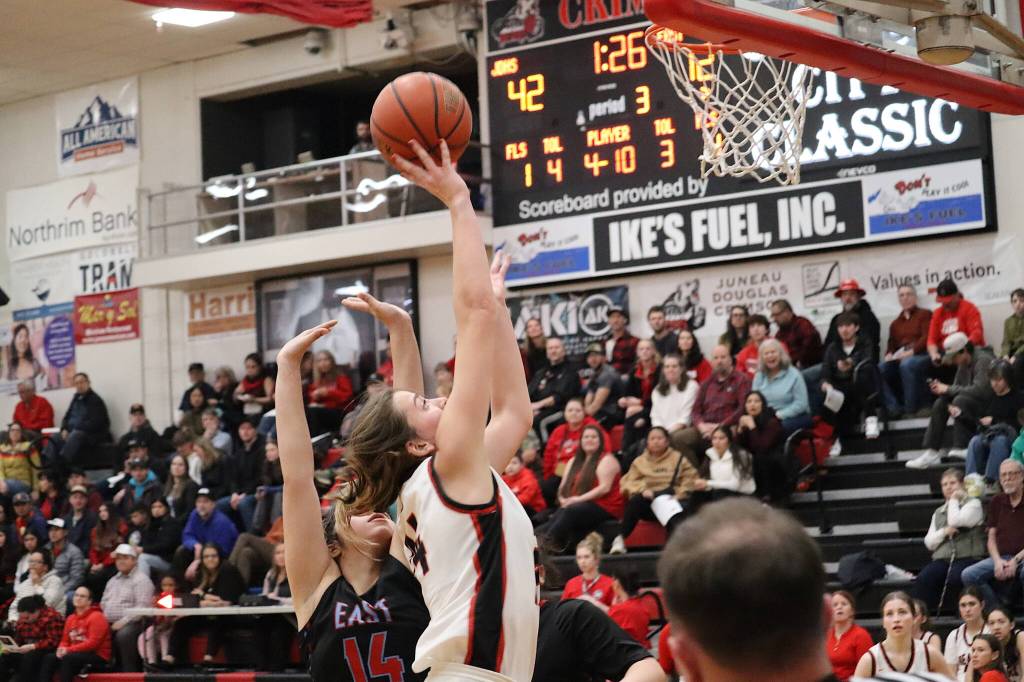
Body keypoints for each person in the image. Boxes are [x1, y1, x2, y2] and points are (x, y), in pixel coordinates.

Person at [306, 138, 540, 681]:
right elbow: (472, 311)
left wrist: (500, 314)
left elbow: (514, 415)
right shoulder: (449, 466)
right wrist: (459, 201)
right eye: (425, 404)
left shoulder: (436, 484)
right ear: (418, 445)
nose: (440, 400)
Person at [275, 314, 430, 682]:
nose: (378, 511)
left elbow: (407, 437)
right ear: (330, 545)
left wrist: (402, 329)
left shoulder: (408, 567)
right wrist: (288, 366)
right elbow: (297, 479)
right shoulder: (316, 591)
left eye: (380, 508)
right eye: (360, 510)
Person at [907, 332, 997, 469]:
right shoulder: (963, 363)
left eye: (954, 357)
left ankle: (961, 446)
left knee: (960, 400)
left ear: (964, 351)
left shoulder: (983, 360)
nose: (953, 361)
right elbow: (955, 388)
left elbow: (981, 391)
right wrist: (944, 393)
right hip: (970, 404)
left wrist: (948, 389)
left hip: (989, 406)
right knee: (941, 403)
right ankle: (932, 451)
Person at [537, 425, 624, 552]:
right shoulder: (573, 461)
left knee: (570, 511)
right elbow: (563, 485)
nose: (589, 440)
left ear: (600, 441)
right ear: (581, 441)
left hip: (605, 506)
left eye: (594, 437)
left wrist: (576, 500)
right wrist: (563, 499)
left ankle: (545, 548)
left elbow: (604, 488)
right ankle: (533, 544)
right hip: (578, 505)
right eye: (586, 437)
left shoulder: (607, 460)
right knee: (551, 520)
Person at [611, 426, 697, 554]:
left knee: (674, 514)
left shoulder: (678, 458)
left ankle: (672, 550)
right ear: (647, 442)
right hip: (649, 503)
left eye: (659, 438)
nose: (656, 441)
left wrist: (680, 494)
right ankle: (620, 539)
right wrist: (642, 489)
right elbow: (627, 483)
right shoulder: (639, 461)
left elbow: (691, 479)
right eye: (652, 438)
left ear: (667, 441)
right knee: (635, 501)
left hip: (672, 500)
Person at [913, 468, 986, 613]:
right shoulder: (939, 512)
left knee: (955, 577)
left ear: (962, 485)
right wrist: (944, 532)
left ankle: (957, 615)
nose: (948, 487)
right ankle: (923, 616)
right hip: (943, 558)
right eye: (944, 484)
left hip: (968, 557)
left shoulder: (973, 504)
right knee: (924, 577)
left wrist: (953, 500)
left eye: (952, 483)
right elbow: (929, 542)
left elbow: (955, 520)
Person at [671, 345, 751, 465]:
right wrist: (701, 426)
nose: (719, 361)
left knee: (722, 438)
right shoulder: (706, 383)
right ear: (712, 362)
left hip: (728, 427)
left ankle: (710, 473)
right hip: (705, 428)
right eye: (716, 358)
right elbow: (696, 410)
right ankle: (694, 474)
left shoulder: (741, 380)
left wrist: (721, 426)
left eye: (723, 357)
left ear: (730, 360)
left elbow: (742, 408)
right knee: (677, 438)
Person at [962, 459, 1024, 609]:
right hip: (1001, 556)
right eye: (1003, 475)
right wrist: (997, 561)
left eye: (1011, 474)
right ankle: (997, 613)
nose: (1007, 479)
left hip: (1022, 556)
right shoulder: (997, 501)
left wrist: (1015, 560)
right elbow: (991, 537)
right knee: (968, 574)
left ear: (1022, 476)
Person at [169, 543, 245, 664]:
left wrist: (204, 597)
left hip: (232, 614)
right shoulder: (201, 572)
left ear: (219, 556)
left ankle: (208, 659)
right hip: (206, 613)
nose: (210, 559)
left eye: (213, 556)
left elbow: (225, 602)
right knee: (182, 622)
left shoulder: (227, 570)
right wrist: (207, 600)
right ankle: (169, 658)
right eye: (206, 556)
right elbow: (195, 598)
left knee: (218, 621)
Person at [854, 591, 954, 677]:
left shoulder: (930, 654)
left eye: (902, 612)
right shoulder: (870, 659)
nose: (896, 619)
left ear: (913, 618)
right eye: (889, 614)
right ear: (883, 622)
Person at [820, 311, 880, 444]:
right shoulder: (833, 347)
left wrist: (851, 363)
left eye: (848, 326)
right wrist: (825, 384)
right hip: (840, 386)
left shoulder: (865, 342)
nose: (844, 330)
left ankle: (871, 418)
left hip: (861, 382)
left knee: (863, 375)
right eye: (840, 327)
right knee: (828, 397)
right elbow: (825, 371)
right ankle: (836, 438)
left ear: (856, 327)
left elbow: (869, 360)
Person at [966, 362, 1024, 492]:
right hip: (989, 433)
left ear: (1007, 379)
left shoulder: (1019, 398)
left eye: (999, 380)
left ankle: (992, 482)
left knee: (999, 441)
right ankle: (971, 480)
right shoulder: (988, 398)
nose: (994, 384)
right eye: (992, 380)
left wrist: (994, 420)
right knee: (975, 441)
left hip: (1010, 435)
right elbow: (978, 420)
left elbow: (1020, 421)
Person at [541, 398, 606, 507]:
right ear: (565, 413)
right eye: (570, 410)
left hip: (583, 468)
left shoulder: (592, 427)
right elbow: (549, 455)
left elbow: (602, 448)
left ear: (584, 412)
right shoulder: (559, 431)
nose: (573, 413)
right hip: (561, 469)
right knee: (545, 485)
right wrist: (548, 475)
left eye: (577, 410)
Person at [880, 284, 933, 417]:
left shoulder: (925, 314)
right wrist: (889, 355)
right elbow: (891, 345)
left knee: (907, 365)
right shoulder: (895, 323)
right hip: (901, 356)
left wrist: (911, 352)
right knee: (878, 369)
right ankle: (894, 408)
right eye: (902, 295)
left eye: (909, 294)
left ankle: (910, 410)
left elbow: (927, 337)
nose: (905, 298)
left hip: (923, 354)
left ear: (915, 297)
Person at [100, 543, 154, 672]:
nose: (120, 561)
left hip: (136, 622)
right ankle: (103, 669)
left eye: (125, 557)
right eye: (118, 558)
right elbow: (103, 601)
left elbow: (142, 608)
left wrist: (123, 622)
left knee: (124, 634)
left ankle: (129, 671)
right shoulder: (112, 580)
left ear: (134, 560)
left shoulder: (141, 580)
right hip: (110, 621)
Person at [46, 585, 111, 682]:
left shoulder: (97, 617)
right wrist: (61, 649)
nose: (78, 598)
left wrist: (68, 650)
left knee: (68, 658)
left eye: (82, 596)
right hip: (75, 653)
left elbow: (93, 644)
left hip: (97, 656)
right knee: (50, 658)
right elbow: (65, 640)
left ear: (89, 601)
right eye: (76, 595)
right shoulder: (70, 618)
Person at [735, 390, 788, 503]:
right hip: (756, 461)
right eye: (749, 402)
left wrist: (752, 427)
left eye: (756, 401)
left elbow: (762, 447)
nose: (752, 404)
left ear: (763, 404)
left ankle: (765, 496)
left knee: (759, 457)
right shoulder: (745, 421)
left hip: (774, 463)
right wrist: (739, 430)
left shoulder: (772, 422)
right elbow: (738, 448)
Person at [46, 373, 110, 467]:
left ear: (88, 383)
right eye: (76, 383)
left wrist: (75, 429)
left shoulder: (95, 400)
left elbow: (96, 423)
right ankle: (48, 464)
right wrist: (64, 429)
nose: (79, 385)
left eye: (81, 382)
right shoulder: (76, 398)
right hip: (72, 432)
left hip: (89, 435)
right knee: (55, 436)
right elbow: (67, 416)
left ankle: (62, 464)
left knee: (76, 435)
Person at [752, 338, 812, 434]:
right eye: (766, 353)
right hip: (767, 417)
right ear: (761, 358)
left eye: (773, 352)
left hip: (794, 416)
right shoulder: (759, 375)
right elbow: (754, 399)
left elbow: (801, 404)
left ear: (781, 354)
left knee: (774, 429)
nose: (770, 356)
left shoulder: (794, 374)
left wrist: (779, 415)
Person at [528, 336, 583, 440]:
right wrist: (529, 408)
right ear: (547, 352)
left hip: (561, 409)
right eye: (550, 348)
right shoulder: (541, 372)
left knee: (539, 421)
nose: (553, 351)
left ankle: (545, 453)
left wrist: (537, 406)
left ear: (563, 351)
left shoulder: (570, 372)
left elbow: (558, 397)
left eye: (557, 348)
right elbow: (528, 392)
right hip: (537, 409)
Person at [0, 595, 63, 682]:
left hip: (46, 649)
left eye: (27, 618)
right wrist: (12, 647)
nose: (24, 620)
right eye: (22, 617)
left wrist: (33, 646)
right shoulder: (23, 618)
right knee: (6, 655)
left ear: (37, 611)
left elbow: (53, 641)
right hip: (27, 647)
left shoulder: (52, 617)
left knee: (30, 656)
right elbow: (19, 637)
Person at [217, 417, 265, 532]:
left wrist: (244, 494)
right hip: (239, 494)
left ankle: (253, 535)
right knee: (218, 505)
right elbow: (233, 477)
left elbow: (260, 477)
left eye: (248, 428)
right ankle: (233, 535)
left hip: (255, 492)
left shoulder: (262, 450)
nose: (245, 432)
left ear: (255, 430)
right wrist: (234, 493)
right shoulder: (239, 452)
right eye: (242, 429)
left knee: (244, 503)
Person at [176, 488, 239, 573]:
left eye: (205, 502)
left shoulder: (221, 522)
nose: (201, 505)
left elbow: (221, 551)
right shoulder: (195, 514)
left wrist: (198, 560)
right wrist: (196, 545)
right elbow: (187, 535)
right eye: (199, 502)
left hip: (221, 558)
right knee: (182, 551)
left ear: (213, 504)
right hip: (203, 552)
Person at [256, 542, 295, 671]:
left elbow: (298, 599)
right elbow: (265, 595)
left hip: (291, 617)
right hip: (273, 615)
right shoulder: (271, 574)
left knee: (278, 632)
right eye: (278, 553)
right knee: (259, 628)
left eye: (284, 552)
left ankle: (277, 669)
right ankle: (262, 667)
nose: (281, 556)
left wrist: (278, 599)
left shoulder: (296, 572)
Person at [649, 353, 700, 452]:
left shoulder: (692, 386)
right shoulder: (657, 390)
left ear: (681, 369)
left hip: (685, 429)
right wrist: (660, 434)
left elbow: (685, 418)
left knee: (673, 439)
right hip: (662, 432)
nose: (670, 370)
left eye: (674, 366)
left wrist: (665, 434)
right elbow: (655, 416)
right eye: (667, 367)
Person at [692, 426, 756, 505]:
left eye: (721, 438)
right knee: (697, 495)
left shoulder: (741, 455)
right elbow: (714, 481)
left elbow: (735, 485)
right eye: (714, 438)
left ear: (729, 440)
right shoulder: (710, 454)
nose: (717, 442)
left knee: (719, 493)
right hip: (720, 493)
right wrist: (703, 485)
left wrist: (707, 483)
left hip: (742, 496)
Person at [928, 278, 987, 362]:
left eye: (948, 301)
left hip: (968, 350)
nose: (945, 304)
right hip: (947, 353)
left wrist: (963, 349)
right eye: (942, 301)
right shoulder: (937, 313)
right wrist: (934, 355)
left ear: (957, 295)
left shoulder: (969, 308)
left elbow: (977, 332)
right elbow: (931, 340)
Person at [618, 338, 661, 450]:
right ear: (637, 352)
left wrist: (641, 403)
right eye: (641, 349)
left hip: (655, 407)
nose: (644, 351)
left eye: (648, 348)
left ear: (653, 351)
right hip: (640, 408)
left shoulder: (660, 370)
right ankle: (627, 452)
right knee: (629, 413)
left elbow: (660, 397)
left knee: (637, 421)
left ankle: (630, 453)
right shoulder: (634, 370)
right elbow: (628, 393)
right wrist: (624, 400)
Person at [825, 279, 882, 362]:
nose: (848, 298)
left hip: (863, 365)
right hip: (836, 364)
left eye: (851, 294)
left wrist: (850, 361)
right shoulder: (835, 320)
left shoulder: (869, 317)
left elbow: (870, 346)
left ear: (858, 297)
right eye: (844, 295)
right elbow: (828, 345)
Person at [560, 532, 616, 608]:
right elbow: (563, 612)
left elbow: (616, 614)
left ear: (596, 559)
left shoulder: (610, 584)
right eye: (579, 557)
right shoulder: (571, 584)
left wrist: (594, 603)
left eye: (586, 557)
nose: (582, 561)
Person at [827, 590, 873, 682]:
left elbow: (867, 671)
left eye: (844, 604)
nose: (839, 607)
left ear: (852, 611)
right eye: (835, 605)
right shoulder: (825, 635)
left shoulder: (861, 636)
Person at [305, 349, 354, 436]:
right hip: (322, 412)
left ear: (331, 361)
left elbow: (347, 396)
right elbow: (312, 398)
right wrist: (315, 398)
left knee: (313, 412)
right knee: (308, 411)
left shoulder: (341, 377)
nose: (323, 363)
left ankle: (314, 439)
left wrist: (329, 393)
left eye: (326, 359)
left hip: (340, 412)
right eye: (319, 361)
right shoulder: (316, 381)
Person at [8, 549, 65, 621]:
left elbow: (47, 604)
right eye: (31, 561)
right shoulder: (26, 583)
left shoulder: (55, 581)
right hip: (26, 623)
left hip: (49, 623)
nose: (32, 564)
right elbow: (15, 607)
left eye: (37, 562)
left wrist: (37, 585)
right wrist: (13, 621)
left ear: (46, 567)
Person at [134, 497, 180, 579]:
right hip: (153, 556)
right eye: (153, 507)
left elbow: (166, 546)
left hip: (166, 560)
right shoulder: (150, 524)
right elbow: (144, 542)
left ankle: (143, 587)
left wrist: (143, 549)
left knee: (143, 558)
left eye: (160, 507)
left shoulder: (172, 523)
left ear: (166, 508)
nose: (156, 510)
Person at [85, 503, 126, 595]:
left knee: (99, 576)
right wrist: (95, 564)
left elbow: (117, 551)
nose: (102, 513)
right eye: (100, 511)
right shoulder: (95, 530)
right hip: (99, 562)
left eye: (105, 510)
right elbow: (93, 550)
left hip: (113, 562)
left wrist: (102, 565)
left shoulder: (121, 527)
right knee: (88, 574)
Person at [770, 299, 824, 369]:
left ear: (787, 312)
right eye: (773, 315)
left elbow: (810, 345)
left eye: (776, 315)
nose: (774, 319)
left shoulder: (802, 324)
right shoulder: (779, 334)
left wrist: (798, 361)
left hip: (809, 365)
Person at [583, 341, 625, 428]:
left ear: (603, 357)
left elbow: (596, 406)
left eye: (596, 355)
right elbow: (589, 397)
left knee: (588, 427)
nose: (592, 359)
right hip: (602, 411)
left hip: (613, 412)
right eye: (590, 356)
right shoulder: (594, 373)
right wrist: (583, 412)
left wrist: (584, 415)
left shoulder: (608, 374)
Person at [0, 421, 41, 498]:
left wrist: (36, 490)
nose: (15, 432)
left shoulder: (29, 447)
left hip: (23, 483)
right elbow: (0, 469)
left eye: (18, 430)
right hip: (4, 484)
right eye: (12, 430)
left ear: (21, 433)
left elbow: (36, 469)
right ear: (8, 433)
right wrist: (2, 482)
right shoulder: (2, 449)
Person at [252, 438, 284, 534]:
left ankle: (276, 525)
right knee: (263, 494)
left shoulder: (285, 464)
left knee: (278, 495)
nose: (268, 453)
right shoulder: (267, 464)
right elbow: (266, 484)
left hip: (286, 493)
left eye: (272, 450)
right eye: (267, 451)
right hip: (273, 493)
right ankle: (258, 527)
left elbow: (288, 485)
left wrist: (269, 489)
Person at [502, 451, 546, 519]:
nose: (510, 467)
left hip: (534, 510)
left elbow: (526, 499)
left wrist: (506, 504)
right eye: (507, 464)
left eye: (514, 463)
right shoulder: (504, 479)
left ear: (522, 464)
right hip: (515, 506)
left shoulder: (528, 477)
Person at [46, 518, 84, 595]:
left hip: (64, 590)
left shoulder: (74, 552)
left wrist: (60, 591)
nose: (53, 533)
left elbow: (76, 579)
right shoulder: (45, 549)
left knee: (70, 596)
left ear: (65, 532)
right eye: (50, 530)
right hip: (46, 587)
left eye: (56, 530)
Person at [985, 606, 1024, 682]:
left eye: (1001, 622)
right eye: (992, 623)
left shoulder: (1020, 637)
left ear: (1012, 625)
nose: (996, 627)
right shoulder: (987, 643)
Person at [233, 352, 275, 418]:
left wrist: (254, 400)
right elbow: (236, 393)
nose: (250, 370)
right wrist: (237, 396)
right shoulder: (246, 380)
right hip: (248, 412)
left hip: (264, 412)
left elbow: (270, 399)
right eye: (247, 367)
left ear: (259, 367)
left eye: (253, 367)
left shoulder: (266, 379)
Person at [735, 313, 773, 378]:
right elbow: (739, 378)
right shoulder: (743, 354)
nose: (756, 329)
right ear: (749, 332)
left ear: (766, 329)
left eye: (759, 325)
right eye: (752, 326)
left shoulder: (779, 347)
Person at [163, 453, 199, 520]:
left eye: (180, 465)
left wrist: (176, 523)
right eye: (174, 464)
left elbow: (190, 511)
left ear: (186, 468)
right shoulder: (169, 485)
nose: (176, 467)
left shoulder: (191, 486)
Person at [605, 306, 639, 375]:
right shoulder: (604, 342)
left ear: (625, 320)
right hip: (607, 380)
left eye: (618, 317)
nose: (615, 320)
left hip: (627, 379)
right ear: (608, 321)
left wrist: (628, 375)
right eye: (612, 317)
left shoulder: (635, 341)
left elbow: (638, 364)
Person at [63, 485, 97, 555]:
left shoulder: (93, 518)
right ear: (70, 500)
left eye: (81, 498)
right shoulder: (65, 519)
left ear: (86, 500)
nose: (78, 500)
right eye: (75, 497)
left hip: (85, 556)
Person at [1003, 289, 1024, 390]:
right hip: (1012, 353)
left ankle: (1019, 394)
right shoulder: (1008, 321)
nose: (1018, 304)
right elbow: (1006, 342)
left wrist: (1015, 356)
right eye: (1015, 301)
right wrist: (1005, 355)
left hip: (1022, 352)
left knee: (1017, 364)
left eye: (1021, 301)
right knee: (998, 364)